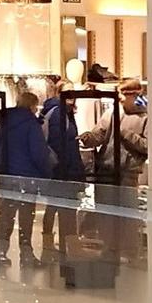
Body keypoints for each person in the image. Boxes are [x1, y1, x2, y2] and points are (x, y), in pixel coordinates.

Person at [0, 92, 54, 259]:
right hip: (27, 177)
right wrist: (47, 174)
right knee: (26, 217)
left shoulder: (3, 123)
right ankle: (26, 253)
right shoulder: (31, 124)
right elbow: (38, 153)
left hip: (7, 175)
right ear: (32, 106)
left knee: (6, 215)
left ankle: (1, 252)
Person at [40, 79, 87, 254]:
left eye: (73, 93)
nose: (72, 97)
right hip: (60, 170)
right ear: (59, 94)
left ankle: (57, 245)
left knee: (57, 207)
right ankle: (63, 246)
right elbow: (58, 145)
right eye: (67, 93)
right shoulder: (58, 114)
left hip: (65, 169)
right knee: (58, 207)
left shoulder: (66, 114)